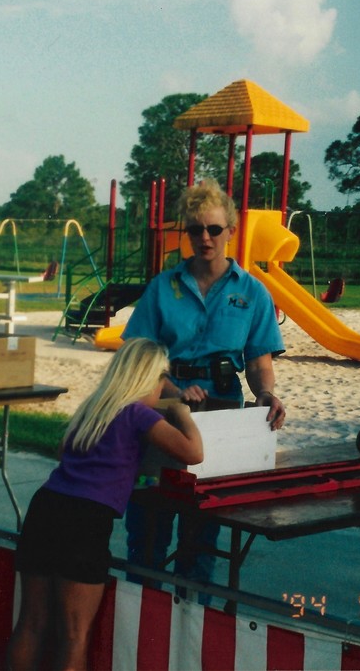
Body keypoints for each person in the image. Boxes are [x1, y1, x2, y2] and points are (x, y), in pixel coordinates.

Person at [121, 177, 286, 600]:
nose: (205, 238)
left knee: (202, 537)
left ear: (231, 230)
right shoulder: (163, 287)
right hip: (161, 413)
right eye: (196, 229)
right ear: (187, 232)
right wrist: (172, 390)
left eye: (214, 229)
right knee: (149, 532)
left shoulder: (253, 293)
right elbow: (137, 357)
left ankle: (194, 623)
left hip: (221, 414)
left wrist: (265, 394)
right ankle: (142, 618)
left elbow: (259, 362)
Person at [7, 338, 203, 670]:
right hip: (85, 520)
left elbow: (63, 452)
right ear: (150, 379)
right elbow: (193, 453)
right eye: (162, 379)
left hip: (46, 507)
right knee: (75, 634)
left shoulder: (95, 405)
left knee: (32, 622)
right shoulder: (139, 414)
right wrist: (180, 414)